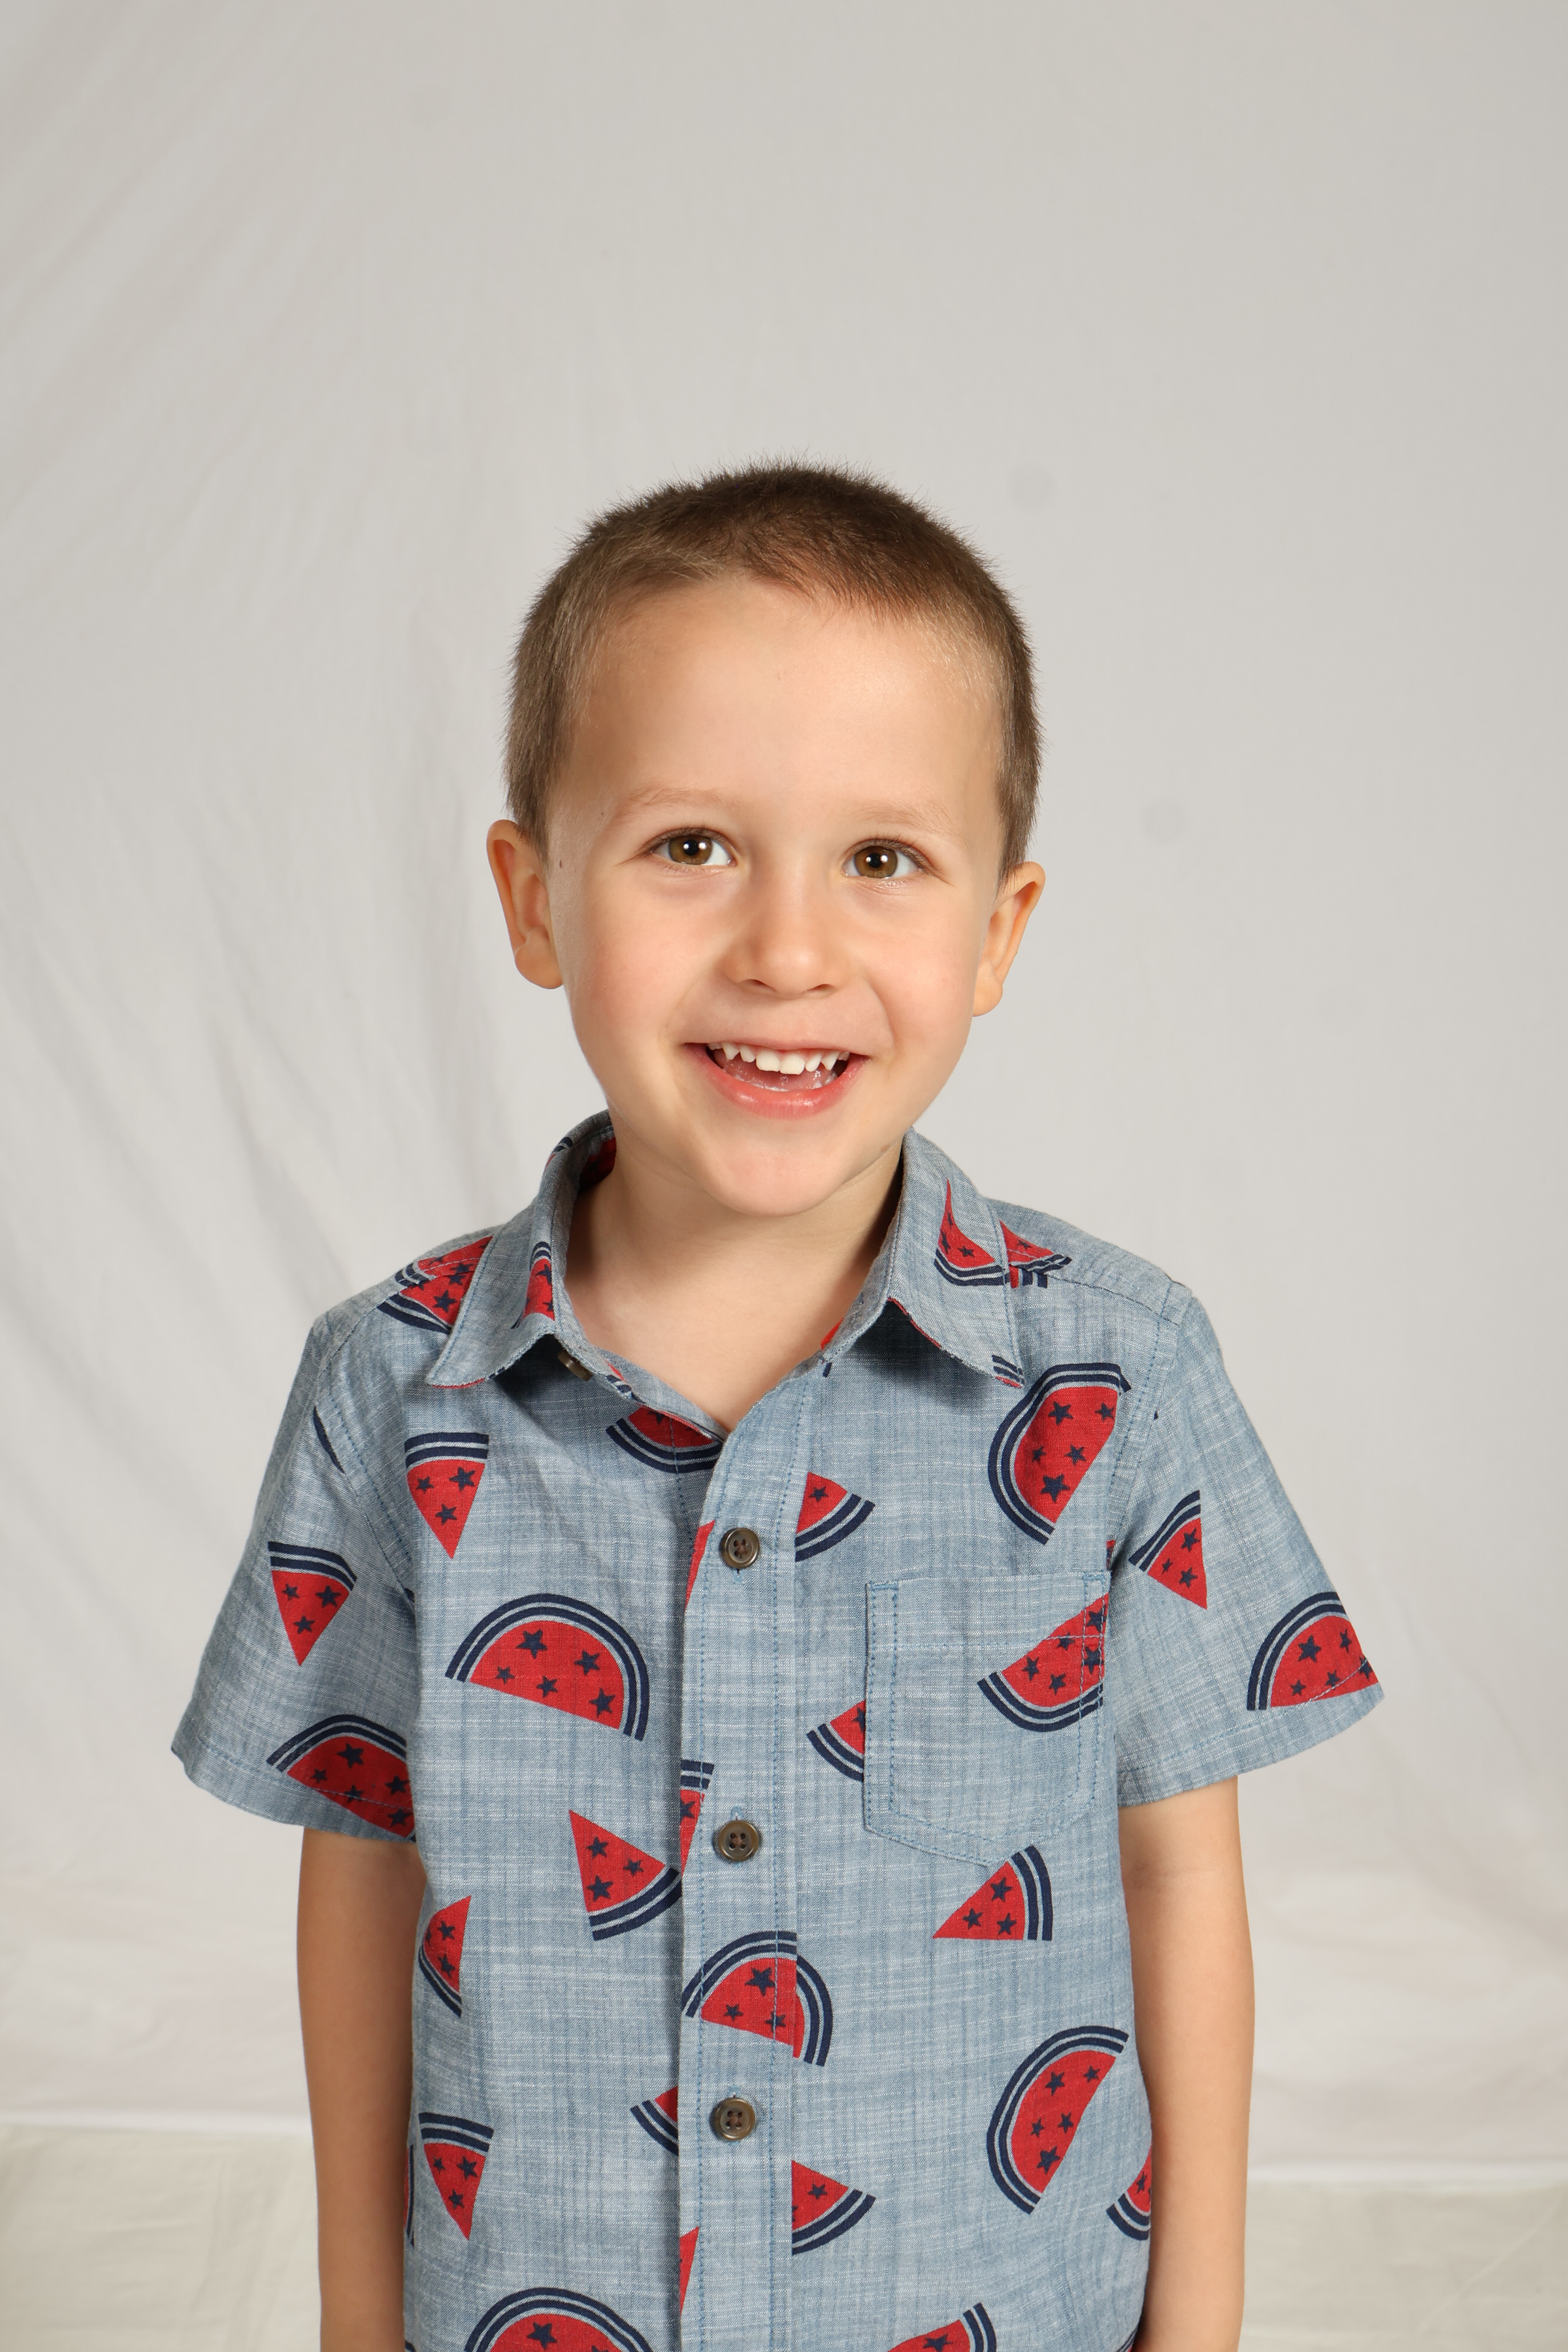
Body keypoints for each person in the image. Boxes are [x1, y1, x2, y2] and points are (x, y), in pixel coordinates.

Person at [174, 464, 1381, 2352]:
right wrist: (354, 2319)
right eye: (691, 846)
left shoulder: (1120, 1370)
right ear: (533, 898)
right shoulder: (389, 1387)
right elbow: (361, 1872)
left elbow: (1175, 1868)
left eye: (882, 861)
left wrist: (1202, 2325)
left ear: (999, 931)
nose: (787, 950)